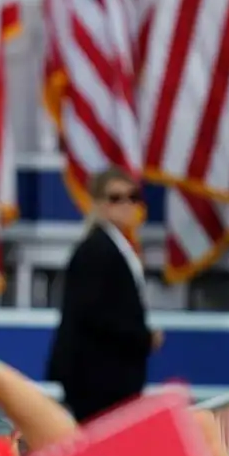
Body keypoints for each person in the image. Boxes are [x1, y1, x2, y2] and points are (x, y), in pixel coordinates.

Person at [46, 167, 163, 423]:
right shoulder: (96, 250)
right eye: (115, 198)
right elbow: (94, 313)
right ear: (98, 203)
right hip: (97, 379)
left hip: (112, 377)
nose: (126, 205)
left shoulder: (117, 248)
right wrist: (143, 337)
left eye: (132, 197)